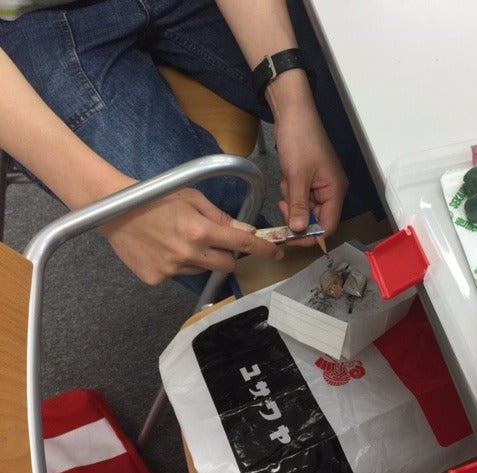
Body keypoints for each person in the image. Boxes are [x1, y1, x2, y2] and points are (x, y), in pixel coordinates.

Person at [0, 0, 384, 293]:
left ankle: (389, 276)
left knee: (359, 111)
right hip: (28, 24)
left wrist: (295, 103)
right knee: (201, 222)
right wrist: (111, 204)